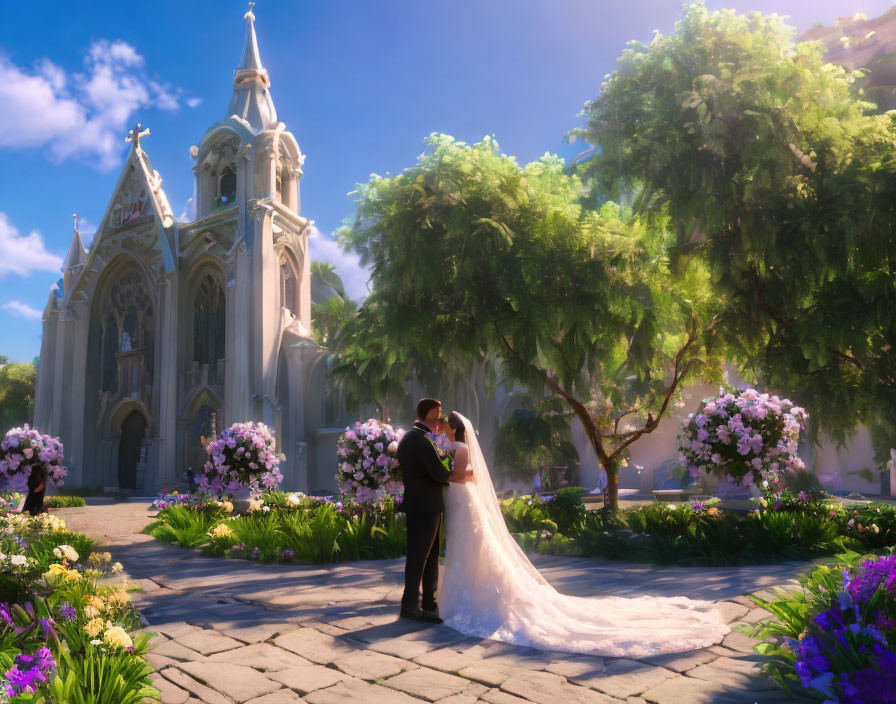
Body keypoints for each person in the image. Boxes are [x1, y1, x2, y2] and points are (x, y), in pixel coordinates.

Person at [437, 412, 730, 657]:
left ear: (456, 428)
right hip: (464, 503)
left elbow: (461, 476)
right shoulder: (453, 449)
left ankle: (475, 597)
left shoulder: (460, 449)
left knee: (473, 548)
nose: (442, 427)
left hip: (465, 503)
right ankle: (467, 592)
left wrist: (435, 473)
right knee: (470, 548)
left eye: (446, 424)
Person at [395, 398, 452, 623]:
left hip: (424, 504)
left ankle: (429, 605)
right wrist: (457, 476)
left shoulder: (417, 437)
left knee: (428, 557)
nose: (440, 416)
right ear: (428, 412)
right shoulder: (420, 439)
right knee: (420, 557)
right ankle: (410, 605)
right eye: (438, 411)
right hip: (424, 505)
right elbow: (439, 472)